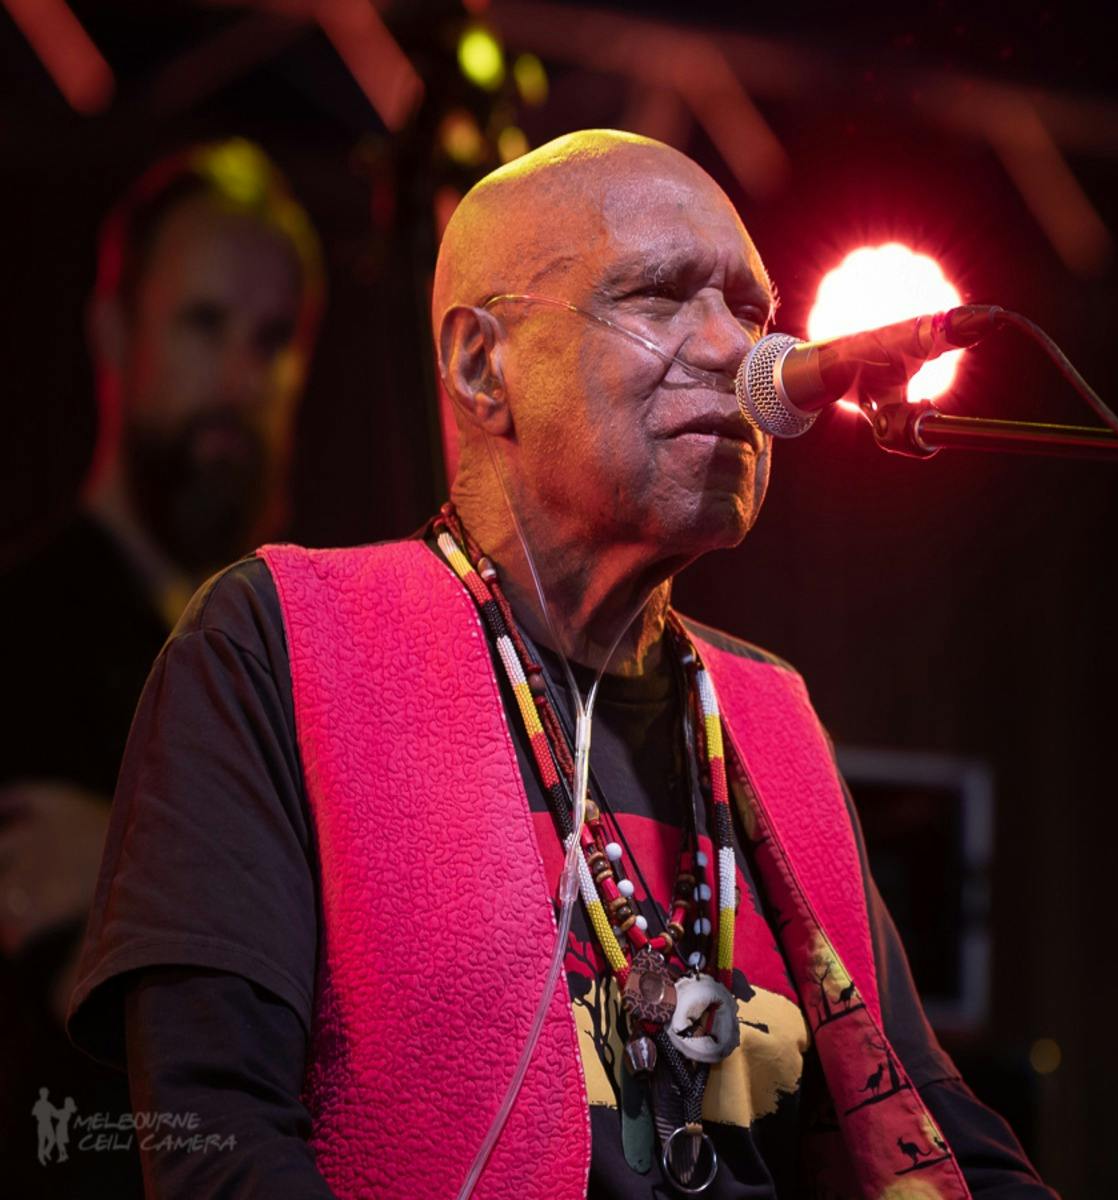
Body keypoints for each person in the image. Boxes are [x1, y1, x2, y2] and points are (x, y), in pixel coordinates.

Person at [66, 130, 1053, 1197]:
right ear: (480, 365)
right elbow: (214, 1146)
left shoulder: (771, 718)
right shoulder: (278, 643)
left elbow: (942, 1135)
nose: (738, 351)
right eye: (662, 297)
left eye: (754, 312)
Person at [0, 138, 322, 1195]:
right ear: (111, 331)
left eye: (273, 339)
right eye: (203, 324)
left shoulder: (312, 655)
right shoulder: (20, 638)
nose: (240, 378)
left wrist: (129, 878)